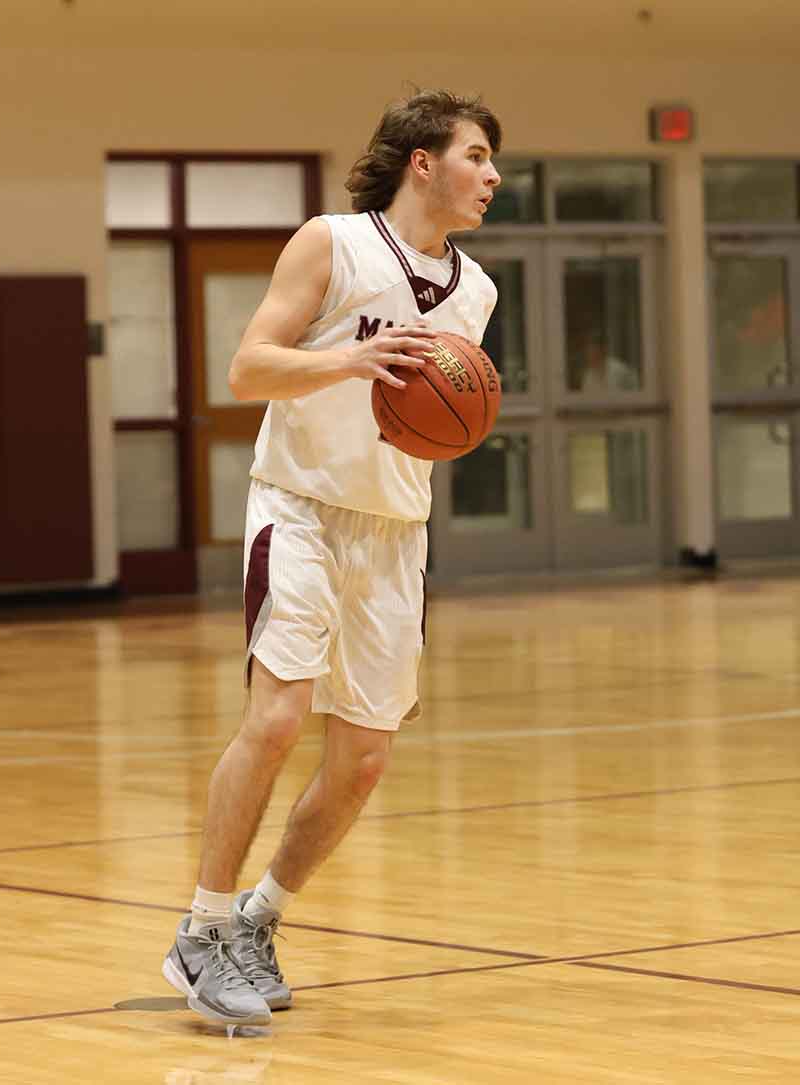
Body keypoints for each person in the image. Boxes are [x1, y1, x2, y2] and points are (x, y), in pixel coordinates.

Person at [162, 89, 502, 1028]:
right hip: (301, 508)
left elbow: (431, 417)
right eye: (477, 155)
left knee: (362, 761)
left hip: (394, 529)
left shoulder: (476, 291)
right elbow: (247, 369)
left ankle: (258, 918)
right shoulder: (333, 243)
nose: (493, 176)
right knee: (276, 719)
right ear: (423, 162)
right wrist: (349, 362)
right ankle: (202, 927)